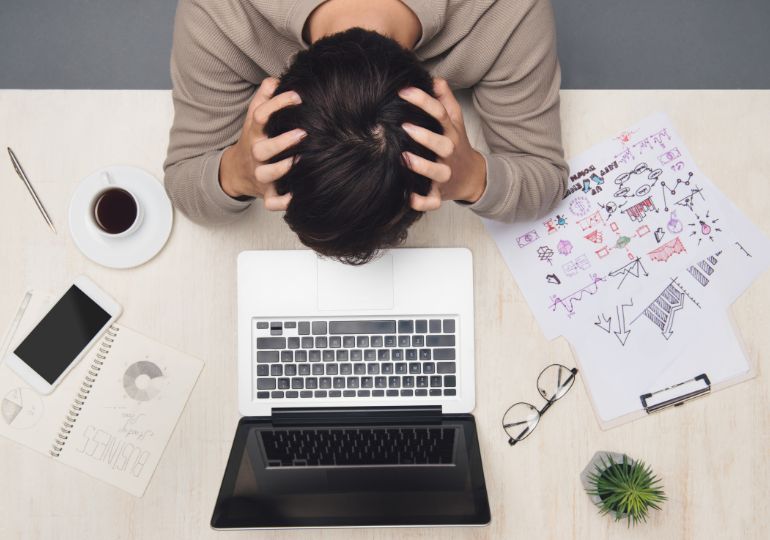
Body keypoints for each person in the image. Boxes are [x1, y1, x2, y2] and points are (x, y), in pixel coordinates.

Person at [164, 0, 568, 264]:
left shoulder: (511, 11)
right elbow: (182, 180)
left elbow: (546, 180)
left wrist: (472, 177)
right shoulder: (217, 12)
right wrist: (235, 171)